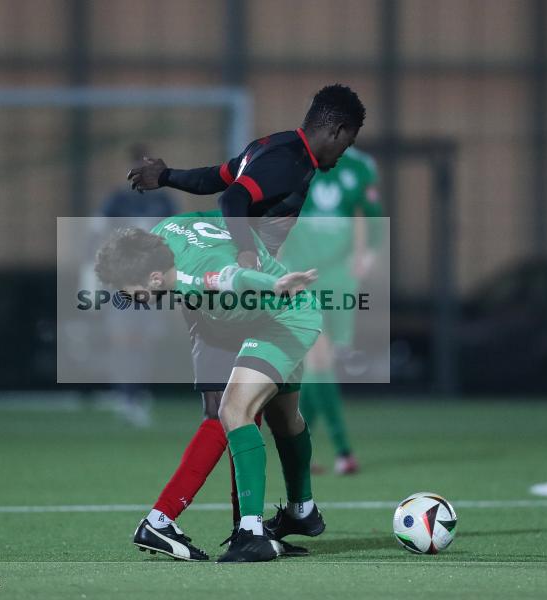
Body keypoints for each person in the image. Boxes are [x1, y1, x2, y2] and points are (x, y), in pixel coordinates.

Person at [122, 84, 366, 561]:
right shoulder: (288, 162)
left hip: (239, 290)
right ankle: (173, 521)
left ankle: (266, 524)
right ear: (335, 130)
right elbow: (232, 201)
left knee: (269, 412)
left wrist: (167, 175)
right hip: (228, 293)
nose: (345, 151)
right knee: (229, 412)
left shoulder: (270, 145)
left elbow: (216, 176)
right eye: (348, 141)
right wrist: (247, 250)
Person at [95, 213, 323, 562]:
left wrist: (271, 284)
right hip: (250, 317)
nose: (131, 299)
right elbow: (223, 213)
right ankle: (299, 512)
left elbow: (230, 277)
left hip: (279, 319)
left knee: (232, 412)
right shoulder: (164, 233)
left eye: (132, 291)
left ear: (154, 277)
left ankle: (248, 531)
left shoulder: (194, 277)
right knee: (282, 418)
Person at [279, 147, 381, 474]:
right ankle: (343, 451)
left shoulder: (360, 167)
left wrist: (367, 254)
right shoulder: (290, 162)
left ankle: (294, 445)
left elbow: (366, 213)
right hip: (299, 272)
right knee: (319, 358)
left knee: (320, 367)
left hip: (338, 275)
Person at [95, 145, 179, 427]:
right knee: (122, 338)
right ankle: (124, 394)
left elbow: (175, 237)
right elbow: (97, 237)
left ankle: (137, 393)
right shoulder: (117, 201)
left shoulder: (164, 201)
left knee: (144, 340)